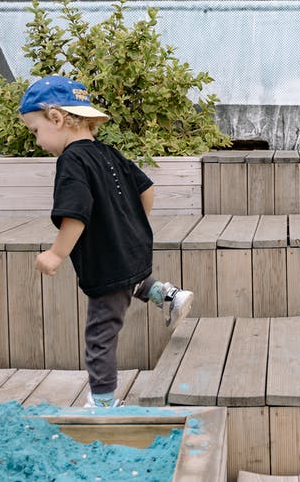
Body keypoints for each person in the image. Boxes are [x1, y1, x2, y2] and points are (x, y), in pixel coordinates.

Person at [19, 75, 194, 408]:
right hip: (132, 248)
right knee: (133, 281)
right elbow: (147, 189)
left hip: (107, 262)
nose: (37, 141)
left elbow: (76, 214)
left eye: (35, 131)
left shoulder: (71, 161)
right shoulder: (108, 153)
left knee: (100, 335)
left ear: (57, 118)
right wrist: (129, 224)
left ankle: (102, 403)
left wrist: (56, 254)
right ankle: (171, 295)